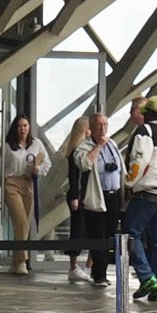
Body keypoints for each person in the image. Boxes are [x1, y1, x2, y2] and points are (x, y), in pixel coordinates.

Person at [124, 96, 157, 302]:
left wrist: (129, 183)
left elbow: (139, 161)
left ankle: (147, 278)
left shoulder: (145, 131)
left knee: (130, 234)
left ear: (147, 113)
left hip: (149, 192)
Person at [72, 112, 123, 287]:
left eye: (105, 125)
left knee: (109, 234)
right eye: (98, 126)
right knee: (97, 234)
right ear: (91, 128)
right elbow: (84, 164)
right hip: (96, 196)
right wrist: (98, 147)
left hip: (113, 195)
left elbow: (119, 168)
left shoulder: (112, 144)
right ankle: (98, 274)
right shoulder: (84, 146)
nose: (102, 129)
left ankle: (104, 271)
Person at [0, 114, 50, 275]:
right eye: (20, 126)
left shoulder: (36, 144)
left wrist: (38, 170)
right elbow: (0, 168)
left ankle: (16, 262)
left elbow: (47, 163)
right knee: (20, 220)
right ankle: (22, 260)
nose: (23, 129)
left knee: (25, 225)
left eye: (25, 126)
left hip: (28, 184)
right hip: (12, 183)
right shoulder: (8, 146)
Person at [62, 119, 94, 282]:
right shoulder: (76, 152)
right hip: (79, 196)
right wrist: (75, 196)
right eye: (89, 129)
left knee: (91, 230)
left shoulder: (89, 149)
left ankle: (89, 265)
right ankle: (74, 266)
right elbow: (73, 177)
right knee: (78, 230)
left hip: (88, 195)